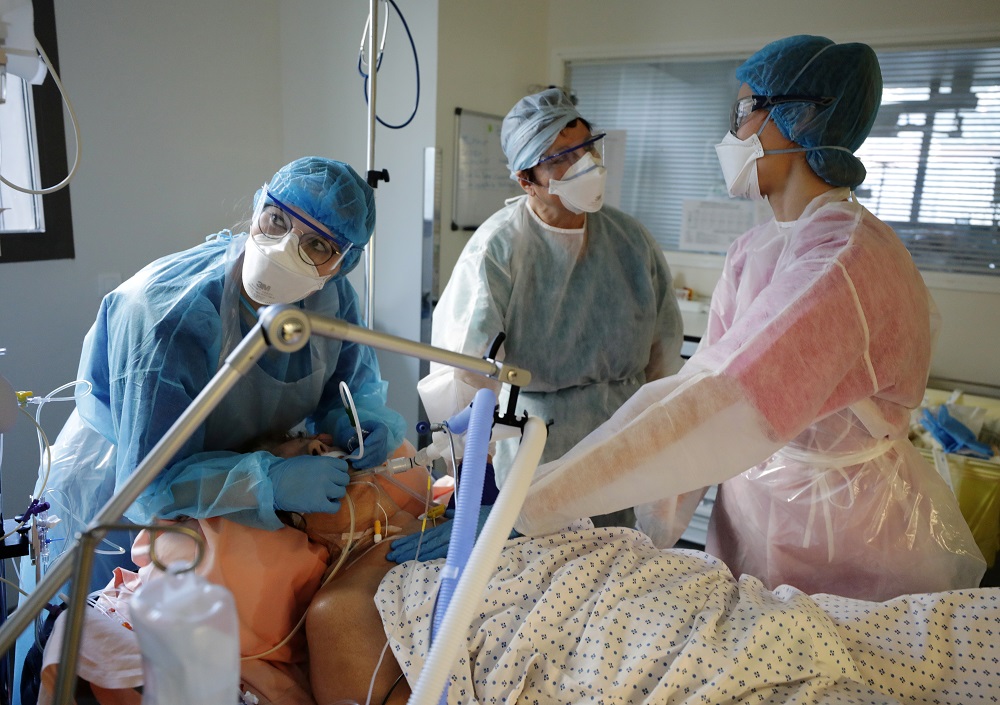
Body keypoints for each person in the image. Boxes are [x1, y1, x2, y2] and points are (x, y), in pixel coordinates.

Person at [512, 35, 987, 601]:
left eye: (743, 113)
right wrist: (653, 533)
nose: (731, 136)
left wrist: (542, 499)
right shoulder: (755, 250)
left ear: (797, 118)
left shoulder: (844, 262)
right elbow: (693, 387)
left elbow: (721, 404)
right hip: (753, 510)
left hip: (842, 530)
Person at [15, 157, 408, 704]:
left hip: (246, 475)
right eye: (277, 221)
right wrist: (270, 484)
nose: (286, 246)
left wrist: (356, 421)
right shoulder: (164, 316)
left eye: (319, 245)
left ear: (344, 263)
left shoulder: (329, 298)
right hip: (132, 486)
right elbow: (148, 487)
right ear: (257, 207)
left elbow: (351, 386)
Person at [410, 88, 684, 541]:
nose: (584, 165)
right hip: (539, 450)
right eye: (560, 158)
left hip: (623, 444)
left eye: (586, 148)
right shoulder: (499, 250)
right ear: (526, 179)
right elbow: (463, 377)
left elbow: (664, 358)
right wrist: (470, 484)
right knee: (546, 587)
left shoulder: (631, 240)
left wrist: (657, 450)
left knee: (614, 578)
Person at [34, 433, 433, 705]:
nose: (321, 445)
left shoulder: (441, 515)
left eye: (327, 437)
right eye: (297, 445)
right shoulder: (339, 609)